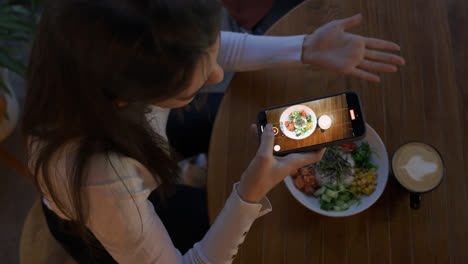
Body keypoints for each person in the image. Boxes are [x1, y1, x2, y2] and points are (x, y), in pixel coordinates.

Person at [22, 0, 405, 263]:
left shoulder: (112, 45)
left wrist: (305, 47)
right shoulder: (101, 181)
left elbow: (207, 49)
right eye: (197, 81)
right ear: (132, 95)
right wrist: (249, 192)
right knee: (253, 232)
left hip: (139, 141)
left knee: (235, 118)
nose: (218, 75)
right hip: (101, 218)